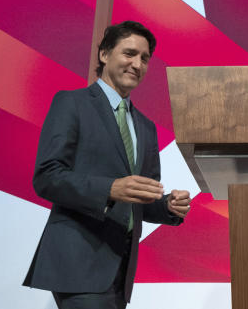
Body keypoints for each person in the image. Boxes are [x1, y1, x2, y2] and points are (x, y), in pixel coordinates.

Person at [24, 20, 191, 308]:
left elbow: (140, 198)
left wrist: (166, 206)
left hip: (121, 270)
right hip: (78, 262)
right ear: (104, 54)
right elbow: (47, 177)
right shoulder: (71, 103)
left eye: (145, 58)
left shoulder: (147, 127)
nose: (137, 64)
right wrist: (110, 189)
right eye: (129, 53)